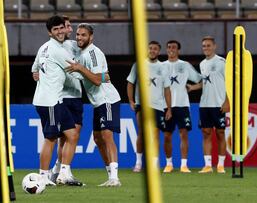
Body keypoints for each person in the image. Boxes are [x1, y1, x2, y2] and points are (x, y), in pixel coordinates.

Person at [66, 23, 121, 187]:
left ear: (91, 37)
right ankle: (110, 175)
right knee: (97, 138)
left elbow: (98, 80)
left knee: (107, 135)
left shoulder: (93, 53)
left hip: (107, 99)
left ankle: (115, 177)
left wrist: (80, 68)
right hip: (98, 102)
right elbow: (103, 76)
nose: (79, 38)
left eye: (83, 35)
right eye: (78, 34)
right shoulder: (82, 53)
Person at [32, 16, 83, 185]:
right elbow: (76, 71)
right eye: (56, 29)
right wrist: (96, 77)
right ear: (50, 32)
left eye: (61, 28)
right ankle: (44, 177)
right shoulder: (58, 50)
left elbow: (34, 69)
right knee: (51, 138)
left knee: (72, 134)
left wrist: (38, 75)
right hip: (50, 101)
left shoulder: (43, 48)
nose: (60, 32)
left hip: (51, 100)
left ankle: (63, 173)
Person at [127, 41, 172, 172]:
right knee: (142, 132)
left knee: (155, 134)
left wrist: (169, 108)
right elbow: (130, 83)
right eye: (150, 48)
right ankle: (139, 163)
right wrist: (130, 100)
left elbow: (167, 89)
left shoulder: (163, 67)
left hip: (158, 106)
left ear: (159, 51)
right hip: (142, 104)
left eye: (155, 49)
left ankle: (153, 164)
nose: (152, 51)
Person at [187, 36, 229, 174]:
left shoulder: (222, 62)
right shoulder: (202, 64)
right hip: (205, 104)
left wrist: (227, 101)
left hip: (219, 103)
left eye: (208, 45)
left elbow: (230, 83)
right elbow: (205, 83)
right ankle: (208, 165)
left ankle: (221, 165)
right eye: (204, 45)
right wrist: (193, 88)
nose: (206, 48)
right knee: (206, 133)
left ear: (214, 46)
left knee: (221, 133)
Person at [162, 40, 201, 173]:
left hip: (182, 105)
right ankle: (169, 164)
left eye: (174, 47)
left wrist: (192, 87)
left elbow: (201, 80)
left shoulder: (185, 65)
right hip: (166, 106)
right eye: (169, 47)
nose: (171, 49)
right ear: (166, 50)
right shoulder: (161, 66)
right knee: (167, 135)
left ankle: (184, 165)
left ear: (178, 50)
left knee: (183, 133)